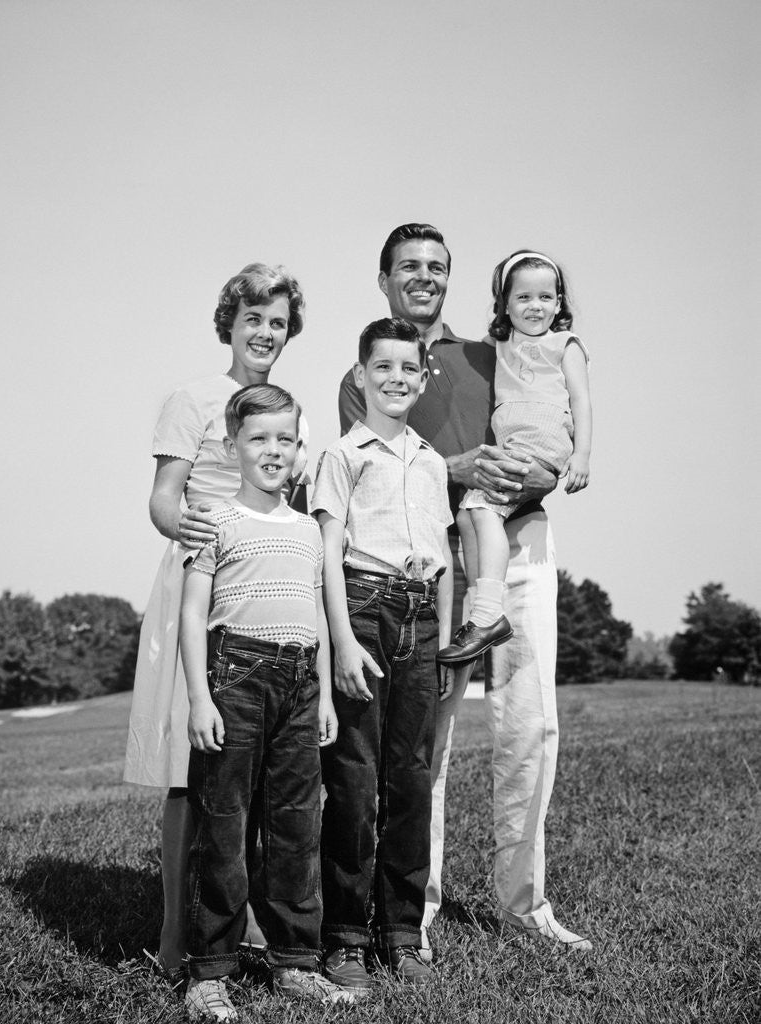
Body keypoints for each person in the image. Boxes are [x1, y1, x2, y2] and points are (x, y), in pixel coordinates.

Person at [338, 223, 592, 955]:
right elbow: (378, 468)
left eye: (437, 267)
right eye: (409, 267)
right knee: (430, 736)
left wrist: (547, 467)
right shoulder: (368, 371)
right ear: (383, 278)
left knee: (531, 724)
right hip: (431, 558)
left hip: (523, 541)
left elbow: (556, 416)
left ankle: (525, 903)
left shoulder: (493, 349)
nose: (424, 277)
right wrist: (463, 467)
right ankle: (416, 906)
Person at [123, 264, 306, 980]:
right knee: (187, 775)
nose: (266, 332)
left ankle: (249, 921)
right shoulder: (192, 399)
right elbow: (162, 500)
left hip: (264, 594)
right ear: (230, 321)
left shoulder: (291, 413)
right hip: (199, 588)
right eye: (254, 318)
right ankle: (173, 935)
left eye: (279, 322)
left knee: (255, 771)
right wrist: (192, 529)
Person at [180, 383, 351, 1022]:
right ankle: (210, 973)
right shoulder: (216, 521)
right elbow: (194, 614)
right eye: (258, 439)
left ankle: (295, 963)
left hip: (301, 683)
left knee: (296, 827)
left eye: (285, 438)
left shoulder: (308, 529)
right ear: (233, 447)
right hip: (235, 677)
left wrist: (327, 696)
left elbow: (316, 615)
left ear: (300, 447)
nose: (272, 450)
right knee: (224, 824)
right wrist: (201, 698)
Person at [313, 317, 454, 993]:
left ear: (422, 379)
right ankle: (343, 935)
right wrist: (341, 640)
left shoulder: (430, 462)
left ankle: (400, 932)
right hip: (364, 614)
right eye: (384, 367)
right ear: (361, 376)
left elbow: (445, 560)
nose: (397, 378)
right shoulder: (343, 455)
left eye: (409, 368)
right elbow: (329, 557)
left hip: (420, 620)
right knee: (354, 779)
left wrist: (448, 645)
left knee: (411, 779)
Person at [438, 249, 592, 667]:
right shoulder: (501, 343)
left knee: (482, 506)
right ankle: (482, 606)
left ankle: (487, 614)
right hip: (514, 439)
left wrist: (581, 456)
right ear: (504, 303)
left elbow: (581, 401)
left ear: (559, 302)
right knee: (471, 509)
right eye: (523, 297)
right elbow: (461, 357)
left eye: (546, 297)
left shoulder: (565, 344)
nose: (535, 306)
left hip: (539, 437)